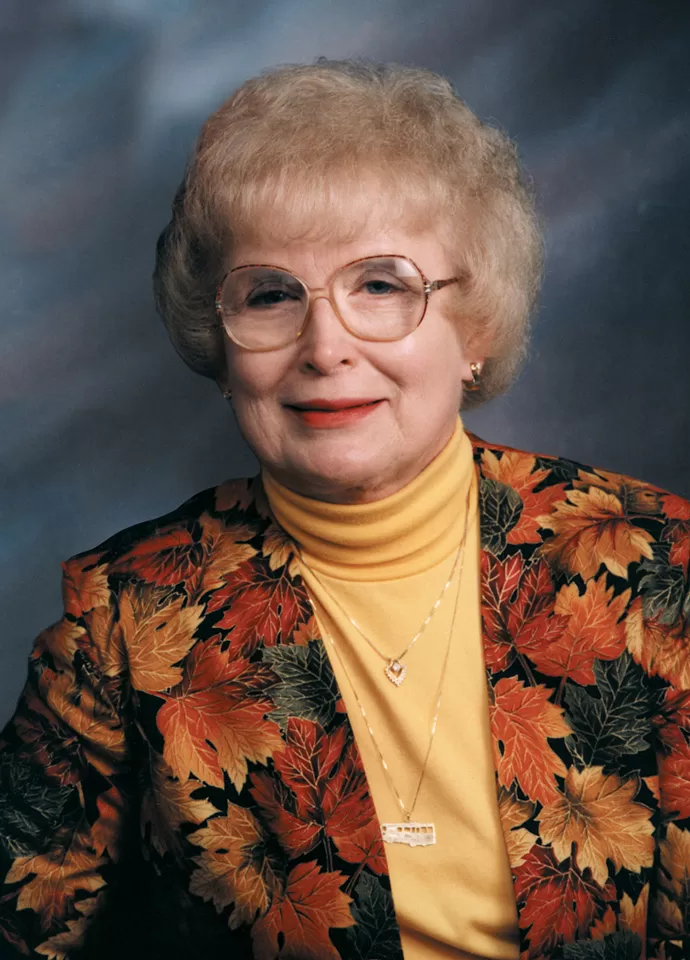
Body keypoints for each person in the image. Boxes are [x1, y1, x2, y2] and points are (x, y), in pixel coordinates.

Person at [0, 59, 688, 960]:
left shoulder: (655, 569)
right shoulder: (124, 620)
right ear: (221, 346)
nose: (326, 347)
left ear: (475, 330)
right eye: (272, 295)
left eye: (381, 286)